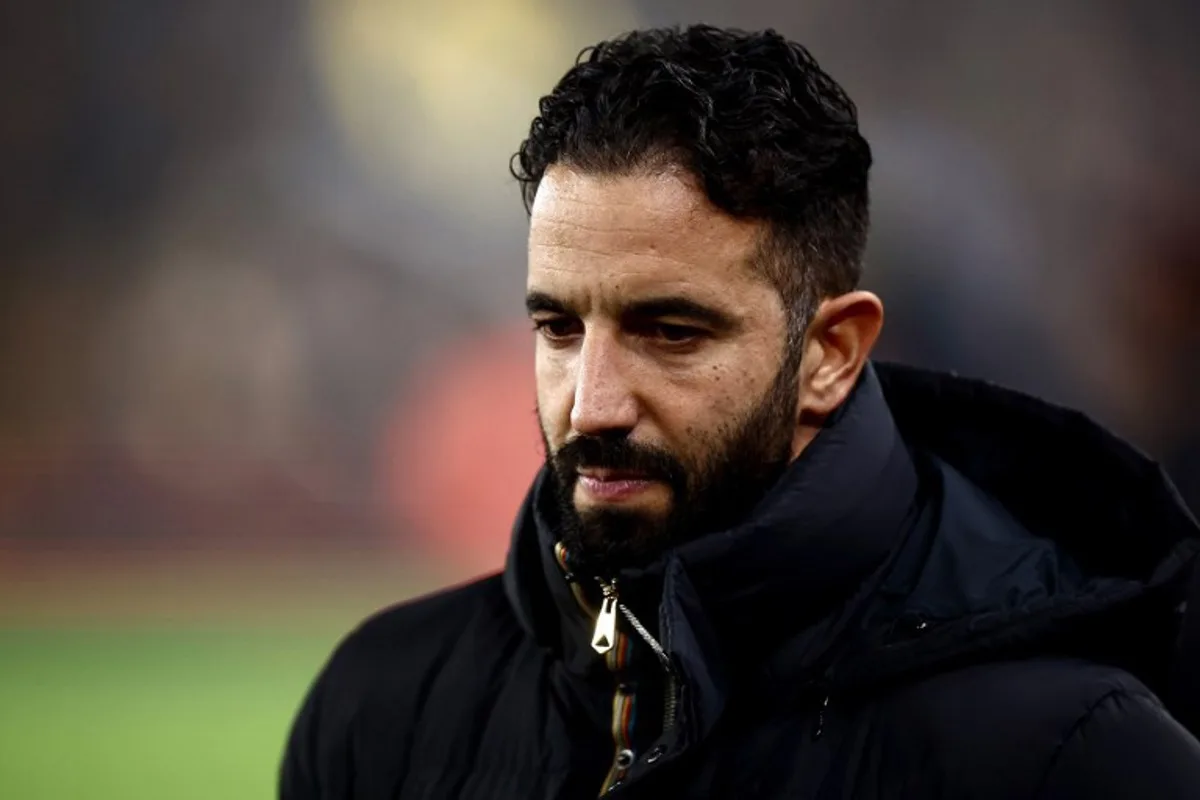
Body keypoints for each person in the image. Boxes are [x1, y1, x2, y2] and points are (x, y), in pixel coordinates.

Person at [280, 25, 1200, 799]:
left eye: (671, 332)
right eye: (559, 326)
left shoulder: (1069, 753)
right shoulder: (381, 707)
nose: (590, 403)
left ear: (831, 354)